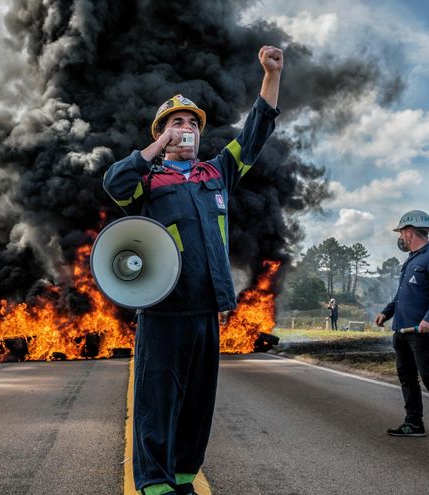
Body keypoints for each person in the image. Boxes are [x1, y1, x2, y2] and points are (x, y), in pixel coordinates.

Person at [102, 46, 284, 495]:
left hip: (206, 310)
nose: (186, 129)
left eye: (192, 124)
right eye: (176, 123)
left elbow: (257, 130)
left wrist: (271, 75)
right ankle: (155, 484)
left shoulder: (217, 173)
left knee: (198, 404)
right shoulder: (147, 182)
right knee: (156, 402)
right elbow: (114, 183)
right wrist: (156, 148)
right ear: (162, 134)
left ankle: (183, 478)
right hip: (163, 311)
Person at [374, 210, 429, 442]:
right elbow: (402, 295)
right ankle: (413, 423)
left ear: (409, 232)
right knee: (407, 378)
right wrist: (387, 312)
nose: (400, 238)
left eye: (401, 233)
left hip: (423, 332)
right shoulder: (411, 260)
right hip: (402, 330)